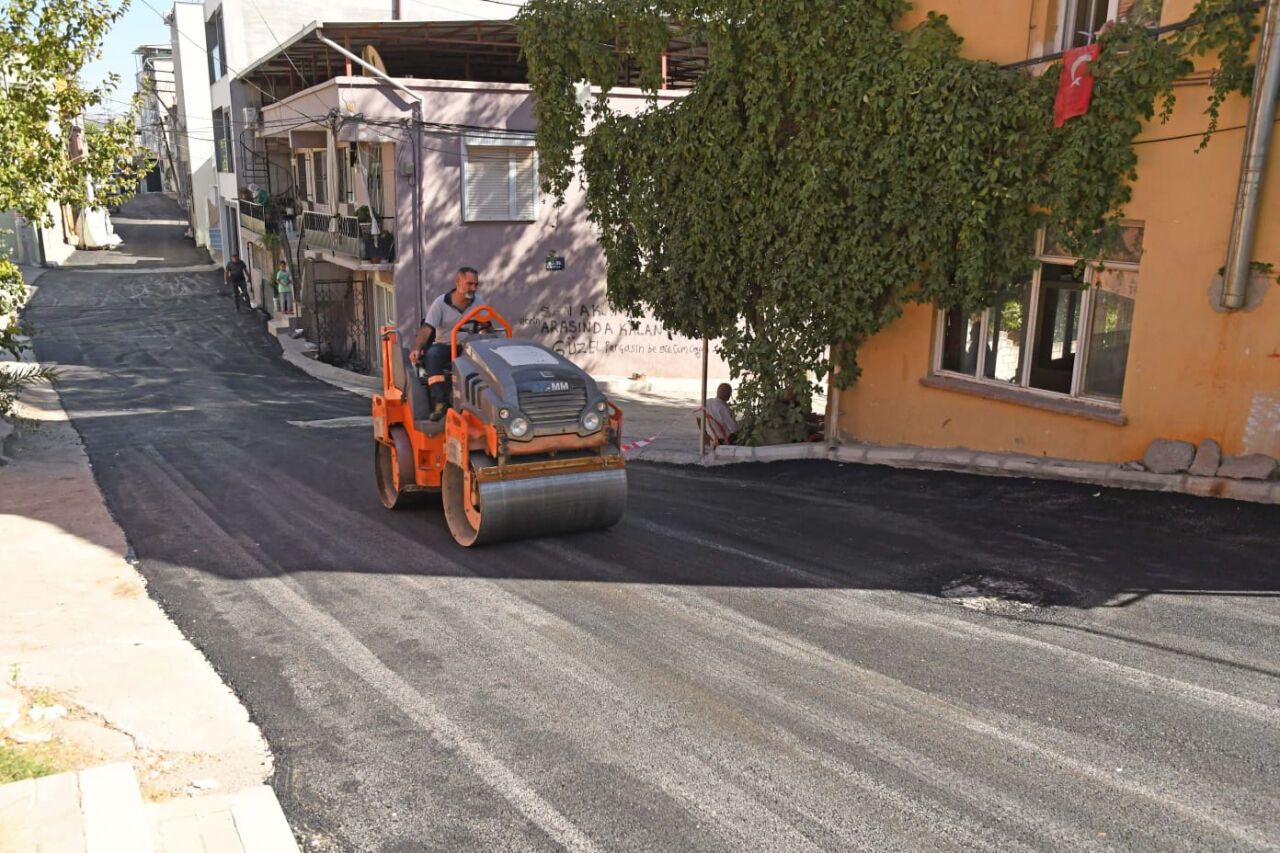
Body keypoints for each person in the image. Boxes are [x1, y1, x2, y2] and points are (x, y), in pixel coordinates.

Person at [409, 266, 483, 420]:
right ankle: (440, 402)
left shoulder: (479, 301)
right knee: (432, 355)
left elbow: (485, 326)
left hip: (469, 347)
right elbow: (427, 329)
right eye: (470, 284)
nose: (474, 288)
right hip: (445, 346)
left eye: (476, 284)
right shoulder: (440, 303)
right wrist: (416, 348)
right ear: (458, 282)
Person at [697, 383, 739, 447]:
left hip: (713, 440)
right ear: (728, 394)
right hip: (726, 441)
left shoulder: (707, 402)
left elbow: (698, 418)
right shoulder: (724, 409)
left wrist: (704, 434)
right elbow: (735, 430)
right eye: (730, 393)